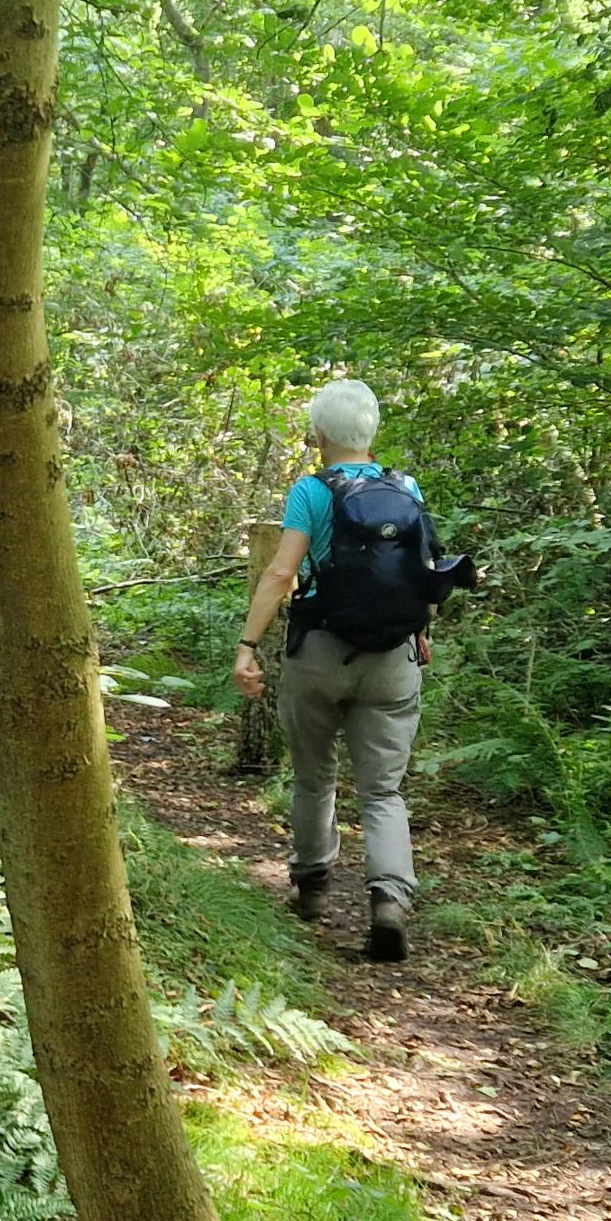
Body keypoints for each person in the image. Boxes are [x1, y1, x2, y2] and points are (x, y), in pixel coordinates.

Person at [231, 379, 464, 962]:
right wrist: (421, 631)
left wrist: (247, 645)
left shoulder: (311, 491)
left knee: (314, 776)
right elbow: (426, 571)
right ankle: (388, 902)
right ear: (372, 431)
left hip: (318, 653)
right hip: (392, 658)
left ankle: (311, 889)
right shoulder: (406, 488)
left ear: (320, 435)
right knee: (383, 790)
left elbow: (282, 574)